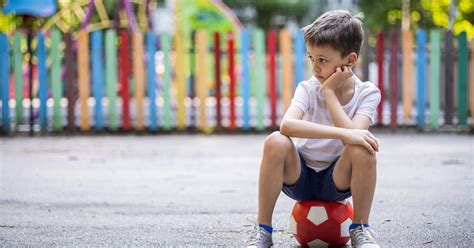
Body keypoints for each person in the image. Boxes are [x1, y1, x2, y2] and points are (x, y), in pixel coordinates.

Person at [245, 10, 382, 248]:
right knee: (275, 141)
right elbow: (287, 125)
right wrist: (341, 133)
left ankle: (360, 228)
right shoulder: (307, 88)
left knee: (363, 149)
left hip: (336, 180)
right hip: (301, 177)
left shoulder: (367, 93)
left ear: (350, 60)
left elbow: (356, 137)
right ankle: (262, 231)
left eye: (323, 60)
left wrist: (329, 94)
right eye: (311, 58)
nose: (315, 67)